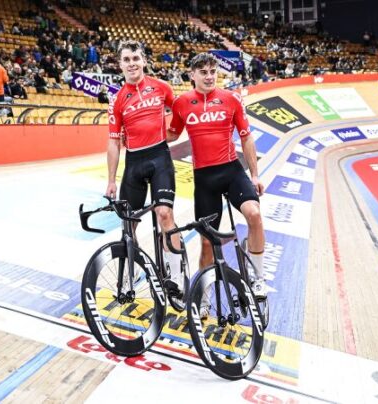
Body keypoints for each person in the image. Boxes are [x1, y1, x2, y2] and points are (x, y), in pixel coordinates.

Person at [167, 52, 267, 304]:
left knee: (254, 214)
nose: (210, 77)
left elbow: (246, 137)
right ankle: (203, 298)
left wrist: (254, 175)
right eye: (204, 72)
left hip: (231, 171)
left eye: (213, 71)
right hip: (204, 179)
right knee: (207, 244)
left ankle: (257, 277)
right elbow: (170, 134)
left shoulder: (231, 99)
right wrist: (136, 134)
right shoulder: (181, 103)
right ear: (192, 75)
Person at [106, 40, 183, 292]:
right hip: (134, 163)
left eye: (135, 58)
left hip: (160, 157)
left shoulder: (161, 87)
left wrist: (172, 132)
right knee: (129, 225)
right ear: (120, 65)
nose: (132, 64)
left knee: (164, 214)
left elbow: (180, 112)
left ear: (144, 61)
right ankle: (131, 272)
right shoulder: (117, 100)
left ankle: (176, 275)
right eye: (126, 60)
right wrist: (111, 180)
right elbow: (114, 142)